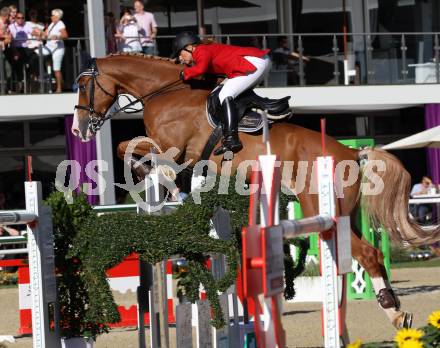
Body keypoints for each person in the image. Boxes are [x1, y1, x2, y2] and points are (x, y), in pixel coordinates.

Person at [172, 32, 271, 155]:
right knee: (228, 91)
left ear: (189, 47)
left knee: (224, 94)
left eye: (180, 54)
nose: (180, 58)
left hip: (255, 61)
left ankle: (231, 140)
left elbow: (201, 69)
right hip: (260, 60)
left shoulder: (200, 50)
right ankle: (268, 105)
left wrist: (184, 74)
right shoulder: (203, 50)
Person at [34, 8, 68, 93]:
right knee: (34, 55)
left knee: (56, 68)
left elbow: (65, 35)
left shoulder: (60, 24)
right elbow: (45, 34)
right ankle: (41, 74)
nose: (51, 17)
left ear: (57, 16)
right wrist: (40, 34)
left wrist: (57, 37)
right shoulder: (52, 24)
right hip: (48, 47)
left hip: (58, 49)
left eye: (52, 15)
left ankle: (59, 87)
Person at [7, 12, 33, 92]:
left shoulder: (26, 26)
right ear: (15, 19)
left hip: (25, 48)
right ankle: (19, 83)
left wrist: (40, 33)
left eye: (22, 18)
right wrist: (14, 51)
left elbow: (33, 32)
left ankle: (29, 82)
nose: (20, 19)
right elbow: (9, 39)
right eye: (18, 18)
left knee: (33, 59)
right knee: (17, 63)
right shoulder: (11, 27)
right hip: (15, 48)